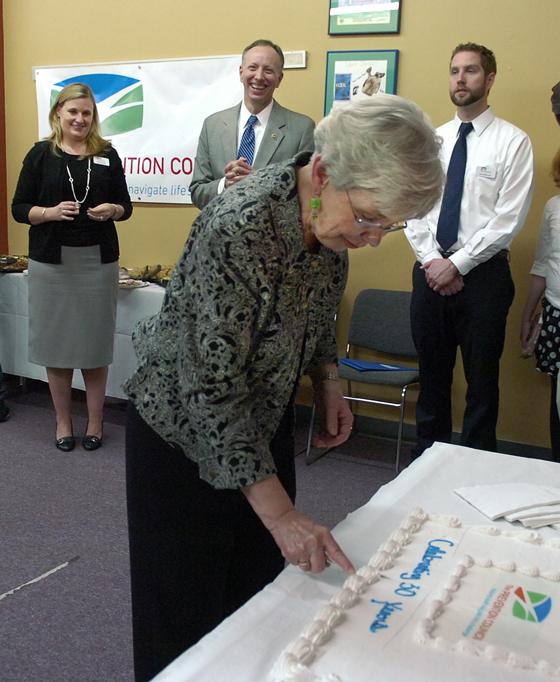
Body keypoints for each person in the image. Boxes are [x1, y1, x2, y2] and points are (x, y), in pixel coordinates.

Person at [124, 94, 444, 681]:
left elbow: (319, 310)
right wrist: (281, 516)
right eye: (371, 217)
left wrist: (327, 381)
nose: (374, 238)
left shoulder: (327, 219)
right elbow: (211, 390)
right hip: (181, 435)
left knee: (257, 599)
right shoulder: (237, 226)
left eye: (390, 226)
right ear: (321, 173)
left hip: (261, 420)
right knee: (185, 615)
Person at [404, 42, 534, 458]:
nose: (461, 79)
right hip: (429, 274)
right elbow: (413, 206)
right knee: (433, 380)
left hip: (484, 279)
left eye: (471, 71)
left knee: (481, 385)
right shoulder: (431, 140)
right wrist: (432, 261)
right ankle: (426, 465)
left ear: (490, 79)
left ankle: (476, 468)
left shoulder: (513, 142)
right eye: (455, 70)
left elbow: (507, 219)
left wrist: (456, 263)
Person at [12, 83, 132, 452]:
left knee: (94, 345)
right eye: (73, 112)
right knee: (58, 346)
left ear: (94, 117)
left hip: (97, 263)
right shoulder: (39, 155)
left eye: (87, 113)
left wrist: (113, 210)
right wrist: (48, 213)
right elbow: (19, 209)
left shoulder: (107, 154)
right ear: (58, 115)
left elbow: (125, 206)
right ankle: (63, 420)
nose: (80, 119)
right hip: (52, 264)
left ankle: (95, 420)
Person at [189, 38, 315, 209]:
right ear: (241, 72)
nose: (259, 76)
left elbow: (309, 197)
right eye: (252, 68)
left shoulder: (302, 129)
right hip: (219, 234)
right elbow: (197, 192)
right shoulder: (212, 125)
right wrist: (225, 184)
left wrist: (259, 184)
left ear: (280, 79)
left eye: (268, 70)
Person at [520, 149, 560, 462]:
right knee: (558, 406)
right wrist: (528, 315)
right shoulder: (554, 207)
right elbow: (543, 264)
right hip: (556, 316)